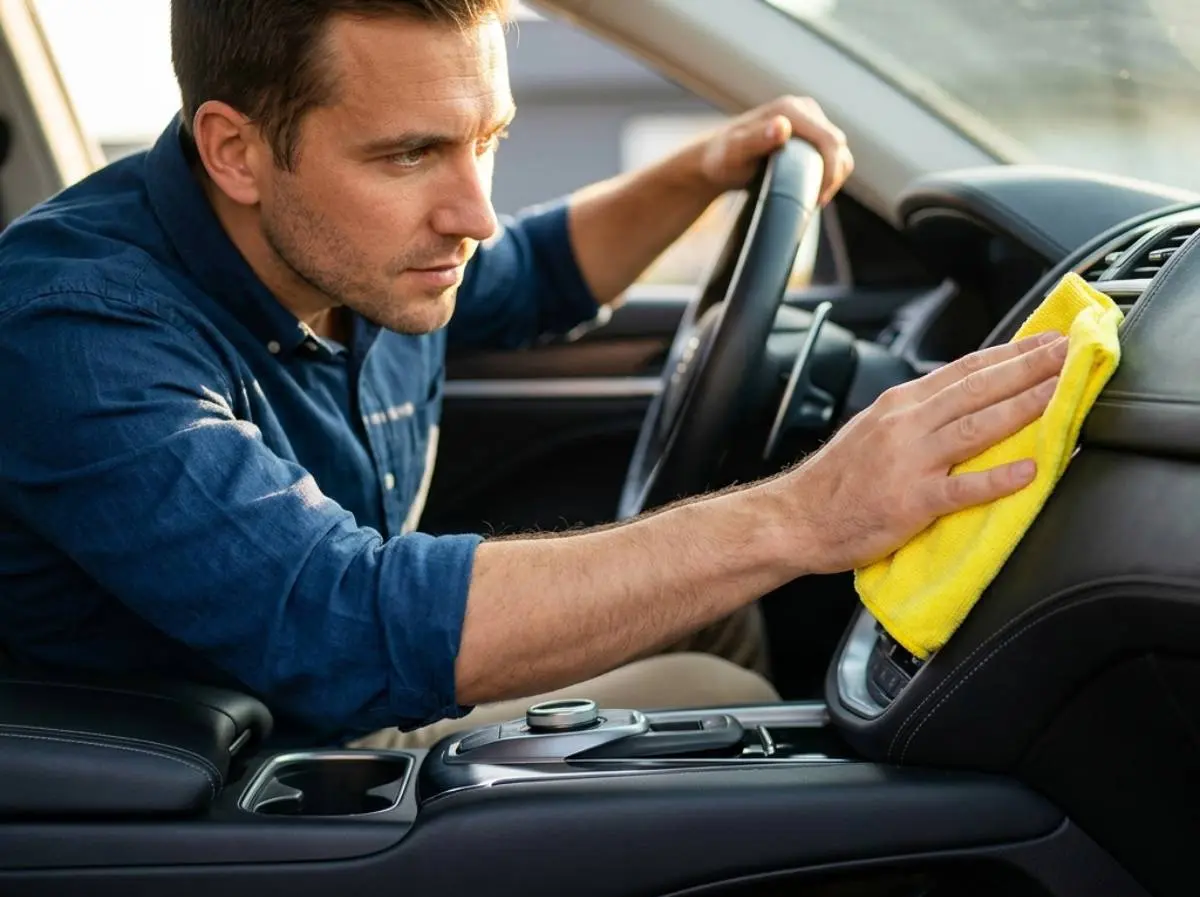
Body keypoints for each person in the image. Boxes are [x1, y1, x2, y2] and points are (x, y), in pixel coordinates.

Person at [0, 0, 1066, 750]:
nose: (469, 213)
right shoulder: (76, 328)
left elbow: (530, 272)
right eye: (410, 155)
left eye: (488, 141)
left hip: (320, 710)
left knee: (712, 624)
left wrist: (701, 171)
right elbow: (343, 624)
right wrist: (807, 513)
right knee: (721, 697)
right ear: (235, 152)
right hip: (233, 784)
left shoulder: (361, 251)